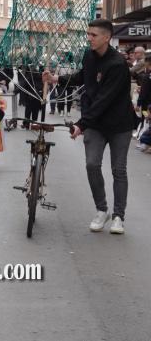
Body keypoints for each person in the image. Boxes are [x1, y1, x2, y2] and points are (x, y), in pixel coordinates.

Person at [44, 19, 138, 235]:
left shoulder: (117, 65)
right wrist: (57, 78)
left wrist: (81, 124)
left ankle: (118, 217)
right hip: (96, 123)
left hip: (119, 125)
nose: (89, 38)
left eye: (93, 35)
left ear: (106, 37)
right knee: (92, 165)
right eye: (88, 34)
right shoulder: (89, 55)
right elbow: (82, 77)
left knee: (119, 170)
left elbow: (104, 100)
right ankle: (101, 209)